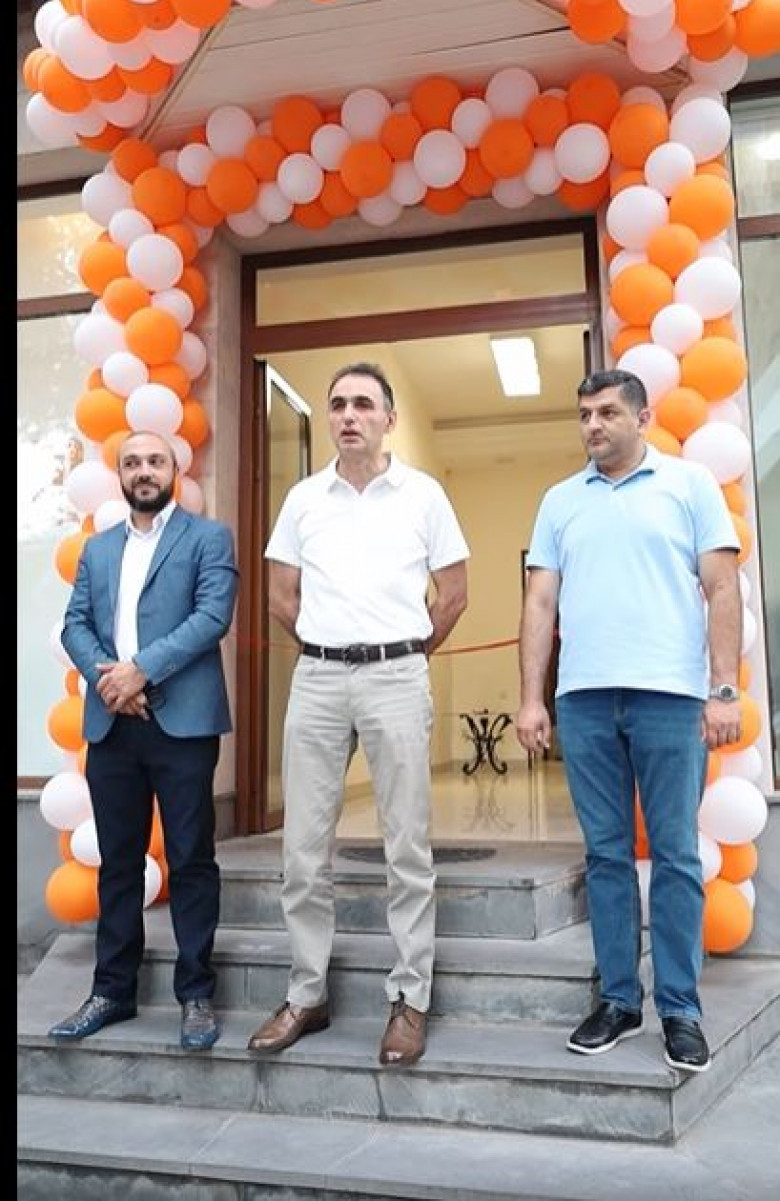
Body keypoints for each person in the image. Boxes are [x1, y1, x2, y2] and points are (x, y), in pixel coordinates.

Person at [516, 369, 742, 1075]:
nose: (593, 424)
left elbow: (722, 586)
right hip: (584, 700)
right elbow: (539, 603)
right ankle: (619, 999)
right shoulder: (560, 500)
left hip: (670, 697)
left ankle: (680, 1008)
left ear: (642, 419)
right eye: (585, 413)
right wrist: (532, 698)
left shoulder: (689, 485)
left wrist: (723, 689)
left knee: (674, 854)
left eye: (608, 412)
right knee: (607, 855)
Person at [246, 362, 469, 1067]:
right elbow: (281, 595)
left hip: (397, 675)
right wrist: (329, 645)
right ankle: (306, 994)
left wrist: (405, 653)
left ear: (388, 419)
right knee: (302, 851)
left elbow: (454, 593)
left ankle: (409, 999)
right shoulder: (303, 499)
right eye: (338, 403)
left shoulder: (424, 495)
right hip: (317, 679)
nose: (348, 415)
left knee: (407, 847)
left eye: (364, 404)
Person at [49, 431, 239, 1052]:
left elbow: (211, 617)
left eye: (155, 461)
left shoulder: (208, 538)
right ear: (121, 475)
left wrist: (141, 671)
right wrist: (110, 681)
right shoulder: (99, 549)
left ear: (173, 469)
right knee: (119, 863)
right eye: (132, 463)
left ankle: (196, 995)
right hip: (113, 726)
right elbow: (75, 624)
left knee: (190, 859)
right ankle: (112, 991)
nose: (144, 471)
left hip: (183, 725)